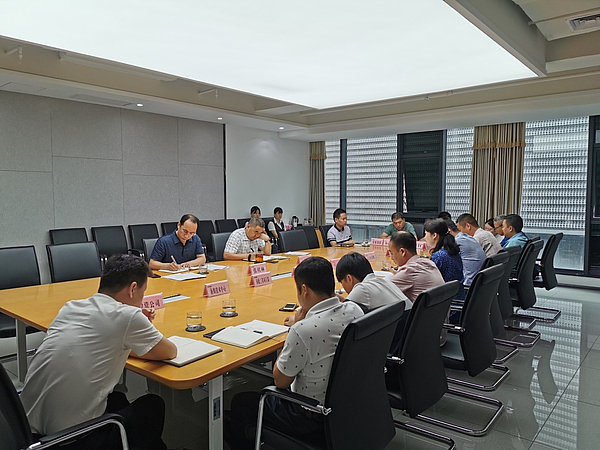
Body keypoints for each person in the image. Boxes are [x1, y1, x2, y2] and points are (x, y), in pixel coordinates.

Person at [20, 255, 177, 450]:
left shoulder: (70, 307)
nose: (142, 299)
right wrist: (133, 330)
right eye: (143, 293)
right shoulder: (127, 316)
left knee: (117, 398)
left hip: (25, 432)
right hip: (68, 441)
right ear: (133, 288)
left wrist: (127, 336)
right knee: (153, 405)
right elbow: (169, 351)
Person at [225, 257, 364, 450]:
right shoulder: (355, 310)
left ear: (304, 290)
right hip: (350, 406)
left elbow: (280, 381)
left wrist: (295, 327)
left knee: (241, 402)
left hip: (310, 416)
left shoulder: (303, 330)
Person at [337, 252, 411, 313]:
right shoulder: (385, 282)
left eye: (342, 283)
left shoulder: (362, 288)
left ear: (349, 278)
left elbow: (342, 316)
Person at [388, 231, 445, 303]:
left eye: (392, 253)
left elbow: (384, 292)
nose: (391, 258)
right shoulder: (429, 262)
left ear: (402, 252)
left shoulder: (408, 271)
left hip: (424, 310)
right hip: (440, 309)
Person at [424, 218, 464, 300]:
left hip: (447, 301)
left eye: (426, 234)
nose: (425, 238)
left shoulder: (438, 256)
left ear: (434, 235)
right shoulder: (453, 252)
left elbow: (428, 281)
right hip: (458, 297)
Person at [446, 219, 486, 289]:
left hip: (468, 285)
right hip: (479, 283)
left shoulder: (457, 241)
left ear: (449, 231)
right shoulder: (468, 237)